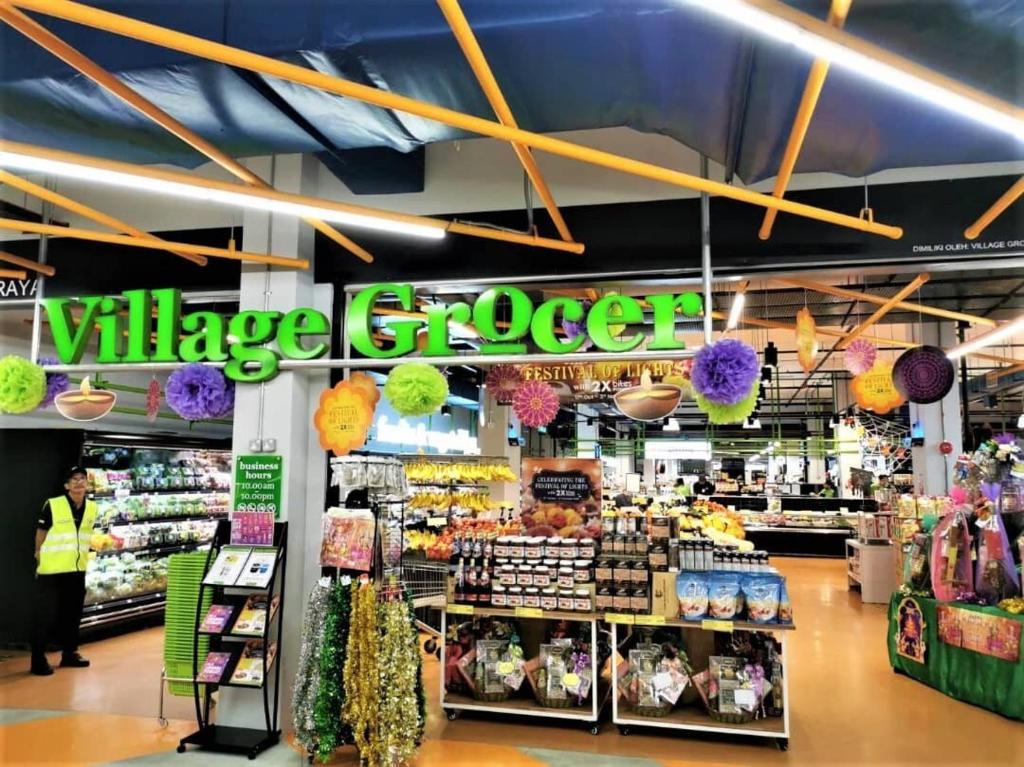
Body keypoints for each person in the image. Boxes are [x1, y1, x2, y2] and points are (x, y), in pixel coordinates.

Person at [31, 466, 97, 676]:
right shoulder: (53, 505)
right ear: (66, 485)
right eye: (74, 479)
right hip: (52, 570)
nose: (78, 482)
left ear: (87, 484)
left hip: (76, 570)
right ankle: (38, 659)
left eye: (82, 478)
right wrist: (38, 555)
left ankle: (70, 653)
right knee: (46, 616)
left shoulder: (92, 508)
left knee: (72, 614)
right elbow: (41, 532)